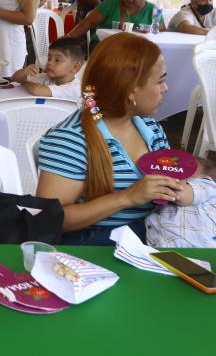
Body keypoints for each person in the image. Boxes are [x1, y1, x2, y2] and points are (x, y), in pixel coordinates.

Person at [36, 32, 180, 245]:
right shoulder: (72, 139)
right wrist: (127, 197)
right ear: (131, 90)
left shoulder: (151, 129)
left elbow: (170, 184)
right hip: (96, 249)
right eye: (160, 81)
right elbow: (52, 218)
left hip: (154, 236)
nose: (165, 88)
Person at [68, 0, 162, 46]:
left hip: (136, 49)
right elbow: (88, 22)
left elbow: (161, 31)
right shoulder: (111, 3)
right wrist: (68, 38)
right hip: (104, 46)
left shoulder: (153, 10)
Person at [145, 158, 216, 248]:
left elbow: (180, 194)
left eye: (188, 168)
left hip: (200, 248)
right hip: (164, 251)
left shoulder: (206, 185)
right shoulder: (162, 199)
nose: (178, 170)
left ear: (207, 175)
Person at [12, 37, 84, 99]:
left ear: (75, 67)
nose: (49, 63)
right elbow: (16, 78)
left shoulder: (75, 88)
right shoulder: (46, 77)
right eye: (49, 58)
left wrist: (24, 82)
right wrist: (24, 72)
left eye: (57, 60)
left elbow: (36, 90)